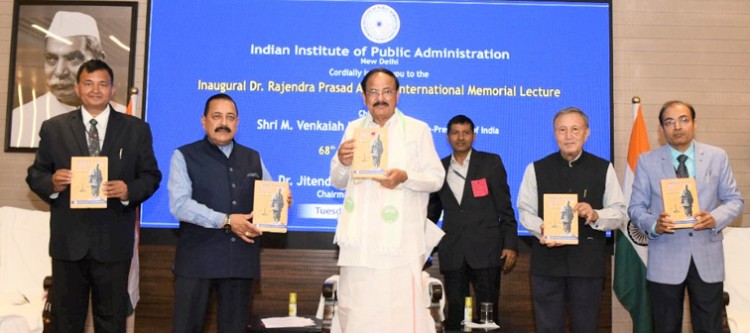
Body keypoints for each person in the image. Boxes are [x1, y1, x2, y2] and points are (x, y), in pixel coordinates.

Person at [26, 59, 161, 332]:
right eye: (88, 83)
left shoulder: (136, 129)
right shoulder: (54, 128)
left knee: (111, 323)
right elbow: (35, 174)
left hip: (113, 244)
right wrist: (52, 183)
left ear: (113, 90)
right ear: (78, 88)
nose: (95, 90)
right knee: (66, 322)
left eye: (102, 84)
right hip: (68, 244)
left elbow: (150, 176)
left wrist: (128, 191)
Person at [330, 68, 445, 332]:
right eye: (373, 92)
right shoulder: (352, 129)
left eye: (386, 91)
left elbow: (436, 178)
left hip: (400, 248)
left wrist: (405, 177)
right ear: (364, 98)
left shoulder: (417, 130)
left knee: (398, 318)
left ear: (397, 95)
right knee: (357, 315)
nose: (380, 98)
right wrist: (343, 161)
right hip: (359, 246)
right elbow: (336, 180)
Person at [169, 93, 290, 333]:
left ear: (237, 122)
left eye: (230, 117)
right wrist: (225, 220)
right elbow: (179, 205)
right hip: (197, 262)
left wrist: (281, 200)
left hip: (240, 263)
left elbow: (268, 197)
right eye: (217, 116)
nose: (223, 122)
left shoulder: (252, 157)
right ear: (204, 121)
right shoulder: (184, 155)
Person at [628, 100, 744, 332]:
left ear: (694, 123)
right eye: (669, 122)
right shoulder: (647, 161)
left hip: (707, 257)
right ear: (661, 129)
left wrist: (715, 217)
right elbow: (635, 208)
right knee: (666, 326)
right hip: (665, 259)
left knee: (709, 327)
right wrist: (654, 224)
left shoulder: (716, 156)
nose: (677, 127)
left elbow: (735, 201)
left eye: (683, 120)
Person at [517, 107, 627, 333]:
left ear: (587, 133)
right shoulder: (535, 169)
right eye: (562, 130)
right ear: (554, 134)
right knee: (548, 328)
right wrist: (542, 227)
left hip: (587, 265)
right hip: (547, 265)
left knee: (585, 327)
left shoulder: (603, 168)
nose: (568, 136)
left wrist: (596, 214)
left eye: (575, 129)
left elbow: (619, 212)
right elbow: (525, 211)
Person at [426, 115, 518, 330]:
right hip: (454, 250)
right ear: (448, 137)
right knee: (456, 309)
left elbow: (505, 208)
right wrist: (422, 245)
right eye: (456, 133)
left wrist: (510, 244)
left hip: (486, 250)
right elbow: (432, 212)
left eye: (466, 133)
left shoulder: (490, 163)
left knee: (488, 310)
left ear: (473, 136)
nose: (461, 138)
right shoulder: (439, 168)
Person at [10, 11, 126, 148]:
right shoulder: (20, 120)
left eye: (73, 58)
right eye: (51, 59)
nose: (59, 72)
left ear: (99, 60)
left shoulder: (125, 119)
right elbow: (37, 169)